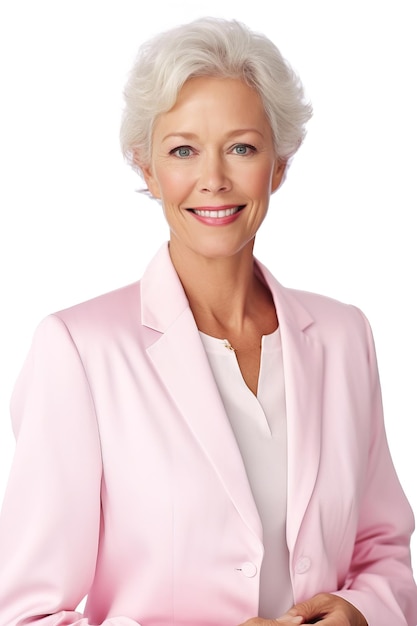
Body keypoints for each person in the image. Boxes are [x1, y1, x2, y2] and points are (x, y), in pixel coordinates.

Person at [0, 16, 416, 626]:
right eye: (183, 150)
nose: (214, 180)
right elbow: (26, 612)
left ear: (279, 165)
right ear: (148, 170)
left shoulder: (344, 336)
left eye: (242, 147)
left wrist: (360, 612)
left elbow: (384, 551)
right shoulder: (81, 351)